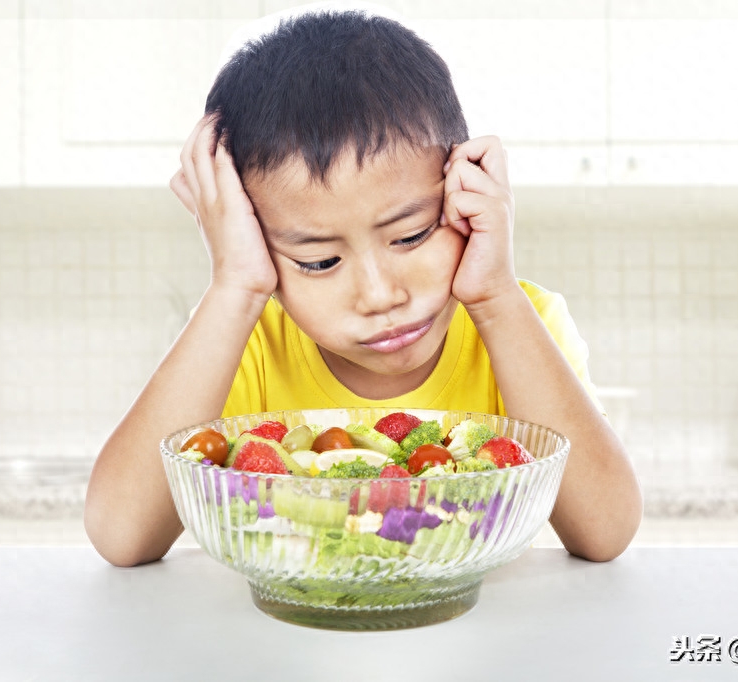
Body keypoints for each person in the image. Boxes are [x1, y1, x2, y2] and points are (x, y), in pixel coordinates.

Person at [85, 7, 642, 567]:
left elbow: (606, 531)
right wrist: (234, 286)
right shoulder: (248, 342)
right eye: (320, 261)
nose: (380, 296)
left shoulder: (523, 320)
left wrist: (497, 300)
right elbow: (121, 535)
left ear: (465, 187)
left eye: (411, 235)